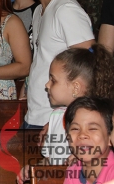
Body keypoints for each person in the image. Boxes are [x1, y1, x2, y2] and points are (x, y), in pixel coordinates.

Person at [16, 0, 95, 129]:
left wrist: (65, 119)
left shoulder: (66, 10)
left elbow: (90, 66)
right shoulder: (40, 11)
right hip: (37, 114)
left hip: (56, 119)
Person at [17, 44, 114, 184]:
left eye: (53, 80)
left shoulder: (102, 118)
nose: (47, 85)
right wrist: (35, 169)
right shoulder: (55, 118)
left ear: (75, 87)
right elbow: (51, 159)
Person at [63, 97, 114, 184]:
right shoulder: (73, 170)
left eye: (92, 128)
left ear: (110, 138)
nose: (82, 135)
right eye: (75, 129)